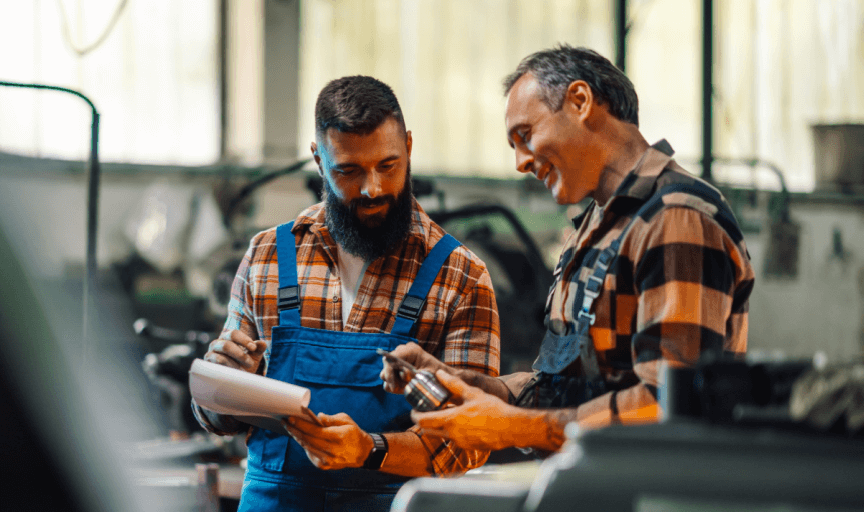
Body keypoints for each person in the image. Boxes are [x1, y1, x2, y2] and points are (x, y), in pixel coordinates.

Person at [381, 45, 755, 454]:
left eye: (525, 136)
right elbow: (562, 385)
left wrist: (517, 429)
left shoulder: (675, 218)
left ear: (580, 101)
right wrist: (464, 383)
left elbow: (668, 404)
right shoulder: (596, 227)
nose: (521, 162)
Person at [193, 75, 501, 511]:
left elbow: (469, 442)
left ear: (409, 147)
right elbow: (213, 417)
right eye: (349, 171)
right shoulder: (267, 257)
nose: (372, 188)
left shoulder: (460, 277)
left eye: (388, 166)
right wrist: (220, 381)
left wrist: (370, 449)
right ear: (319, 160)